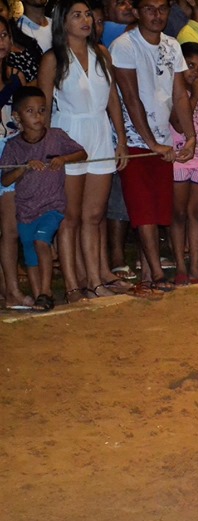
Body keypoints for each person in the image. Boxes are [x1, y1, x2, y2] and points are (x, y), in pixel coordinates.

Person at [38, 0, 130, 301]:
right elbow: (45, 107)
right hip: (69, 136)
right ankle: (73, 284)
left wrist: (121, 139)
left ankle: (94, 280)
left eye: (88, 14)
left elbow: (114, 100)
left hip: (100, 133)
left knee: (94, 215)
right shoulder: (53, 59)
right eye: (77, 15)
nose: (85, 20)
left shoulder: (102, 53)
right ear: (64, 22)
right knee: (70, 217)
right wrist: (46, 148)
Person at [111, 0, 196, 292]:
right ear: (136, 11)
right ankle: (157, 274)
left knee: (160, 208)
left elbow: (180, 95)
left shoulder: (173, 45)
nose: (157, 15)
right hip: (136, 141)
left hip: (164, 138)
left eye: (162, 8)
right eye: (149, 8)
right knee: (143, 208)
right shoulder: (124, 45)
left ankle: (149, 275)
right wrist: (150, 143)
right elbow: (131, 98)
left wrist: (191, 134)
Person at [0, 87, 87, 310]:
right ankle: (39, 295)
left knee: (42, 242)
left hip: (52, 207)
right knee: (30, 252)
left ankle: (46, 292)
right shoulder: (13, 146)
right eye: (30, 111)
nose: (38, 116)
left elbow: (82, 153)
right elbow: (6, 180)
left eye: (42, 110)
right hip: (26, 210)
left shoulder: (56, 136)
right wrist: (24, 169)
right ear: (17, 117)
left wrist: (63, 158)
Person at [0, 15, 40, 308]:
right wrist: (11, 86)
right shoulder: (13, 78)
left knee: (10, 229)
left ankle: (10, 290)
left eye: (4, 35)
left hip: (9, 154)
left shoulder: (16, 72)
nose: (2, 41)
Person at [170, 41, 198, 283]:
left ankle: (195, 266)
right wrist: (196, 95)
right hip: (179, 158)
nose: (195, 72)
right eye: (190, 66)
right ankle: (180, 266)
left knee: (196, 212)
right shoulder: (175, 92)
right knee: (178, 214)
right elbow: (178, 121)